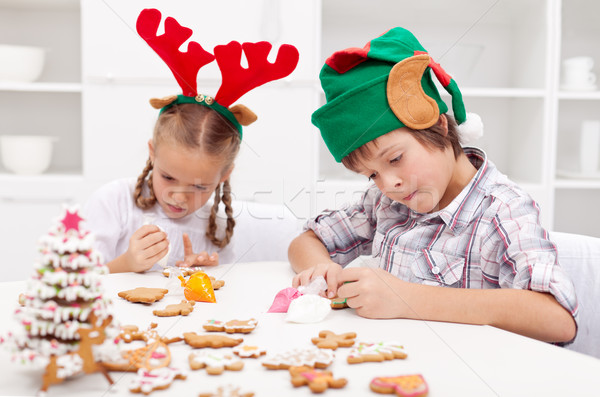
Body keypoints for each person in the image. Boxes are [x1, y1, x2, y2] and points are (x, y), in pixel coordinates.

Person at [289, 27, 578, 343]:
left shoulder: (503, 210)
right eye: (371, 174)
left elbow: (557, 319)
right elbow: (306, 241)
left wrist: (406, 299)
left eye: (395, 158)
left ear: (439, 126)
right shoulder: (386, 203)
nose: (388, 184)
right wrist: (320, 269)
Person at [83, 8, 298, 273]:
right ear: (152, 152)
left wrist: (206, 272)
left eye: (199, 187)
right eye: (169, 177)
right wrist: (126, 264)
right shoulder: (113, 203)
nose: (178, 196)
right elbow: (71, 287)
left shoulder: (214, 226)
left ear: (224, 174)